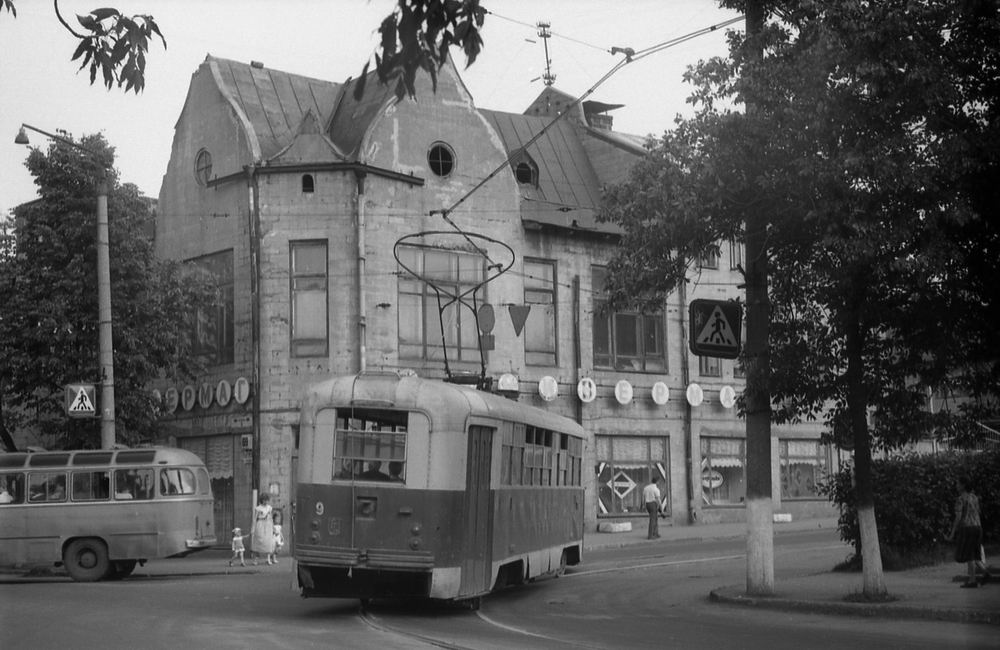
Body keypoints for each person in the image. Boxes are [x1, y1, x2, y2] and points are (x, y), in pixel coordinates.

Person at [946, 475, 993, 588]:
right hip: (978, 527)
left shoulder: (960, 499)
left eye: (958, 483)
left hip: (967, 528)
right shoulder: (974, 497)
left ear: (963, 485)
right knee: (975, 554)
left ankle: (972, 581)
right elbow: (978, 512)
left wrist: (952, 533)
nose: (956, 486)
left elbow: (958, 517)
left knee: (969, 555)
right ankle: (986, 573)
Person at [251, 493, 275, 565]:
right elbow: (254, 519)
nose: (266, 502)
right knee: (258, 541)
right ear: (262, 500)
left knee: (268, 542)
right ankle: (255, 560)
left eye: (267, 500)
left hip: (268, 525)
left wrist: (273, 528)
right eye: (265, 500)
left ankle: (268, 559)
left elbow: (271, 518)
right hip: (260, 525)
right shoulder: (258, 508)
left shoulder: (269, 508)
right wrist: (253, 529)